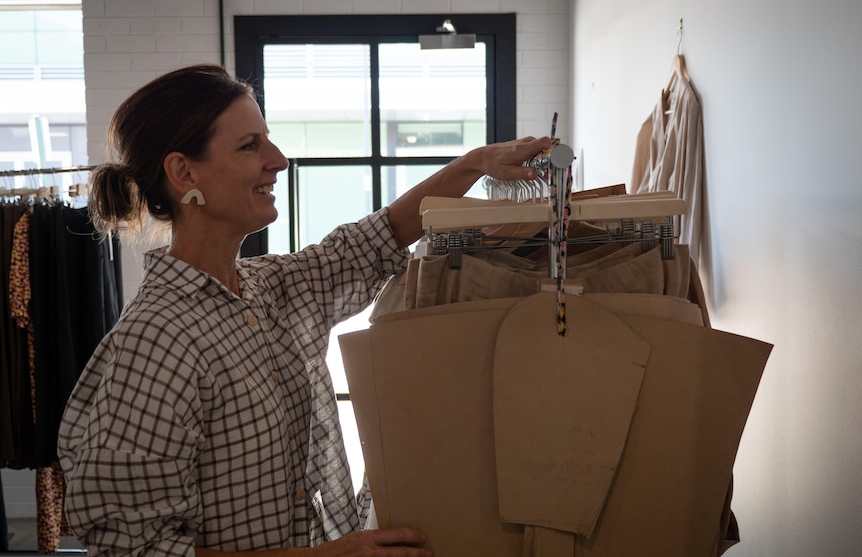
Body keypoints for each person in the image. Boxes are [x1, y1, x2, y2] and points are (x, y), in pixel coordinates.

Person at [57, 64, 551, 557]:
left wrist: (474, 164)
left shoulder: (264, 287)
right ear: (185, 172)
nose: (278, 159)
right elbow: (135, 551)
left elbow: (371, 243)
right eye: (250, 146)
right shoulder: (156, 344)